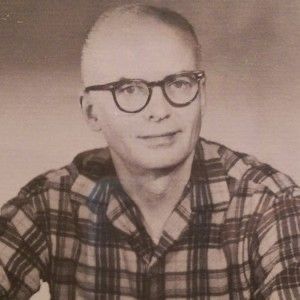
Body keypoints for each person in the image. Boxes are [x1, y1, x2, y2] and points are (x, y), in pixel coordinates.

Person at [0, 4, 299, 299]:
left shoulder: (271, 204)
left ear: (202, 96)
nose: (159, 110)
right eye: (129, 89)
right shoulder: (51, 202)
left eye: (179, 83)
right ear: (91, 112)